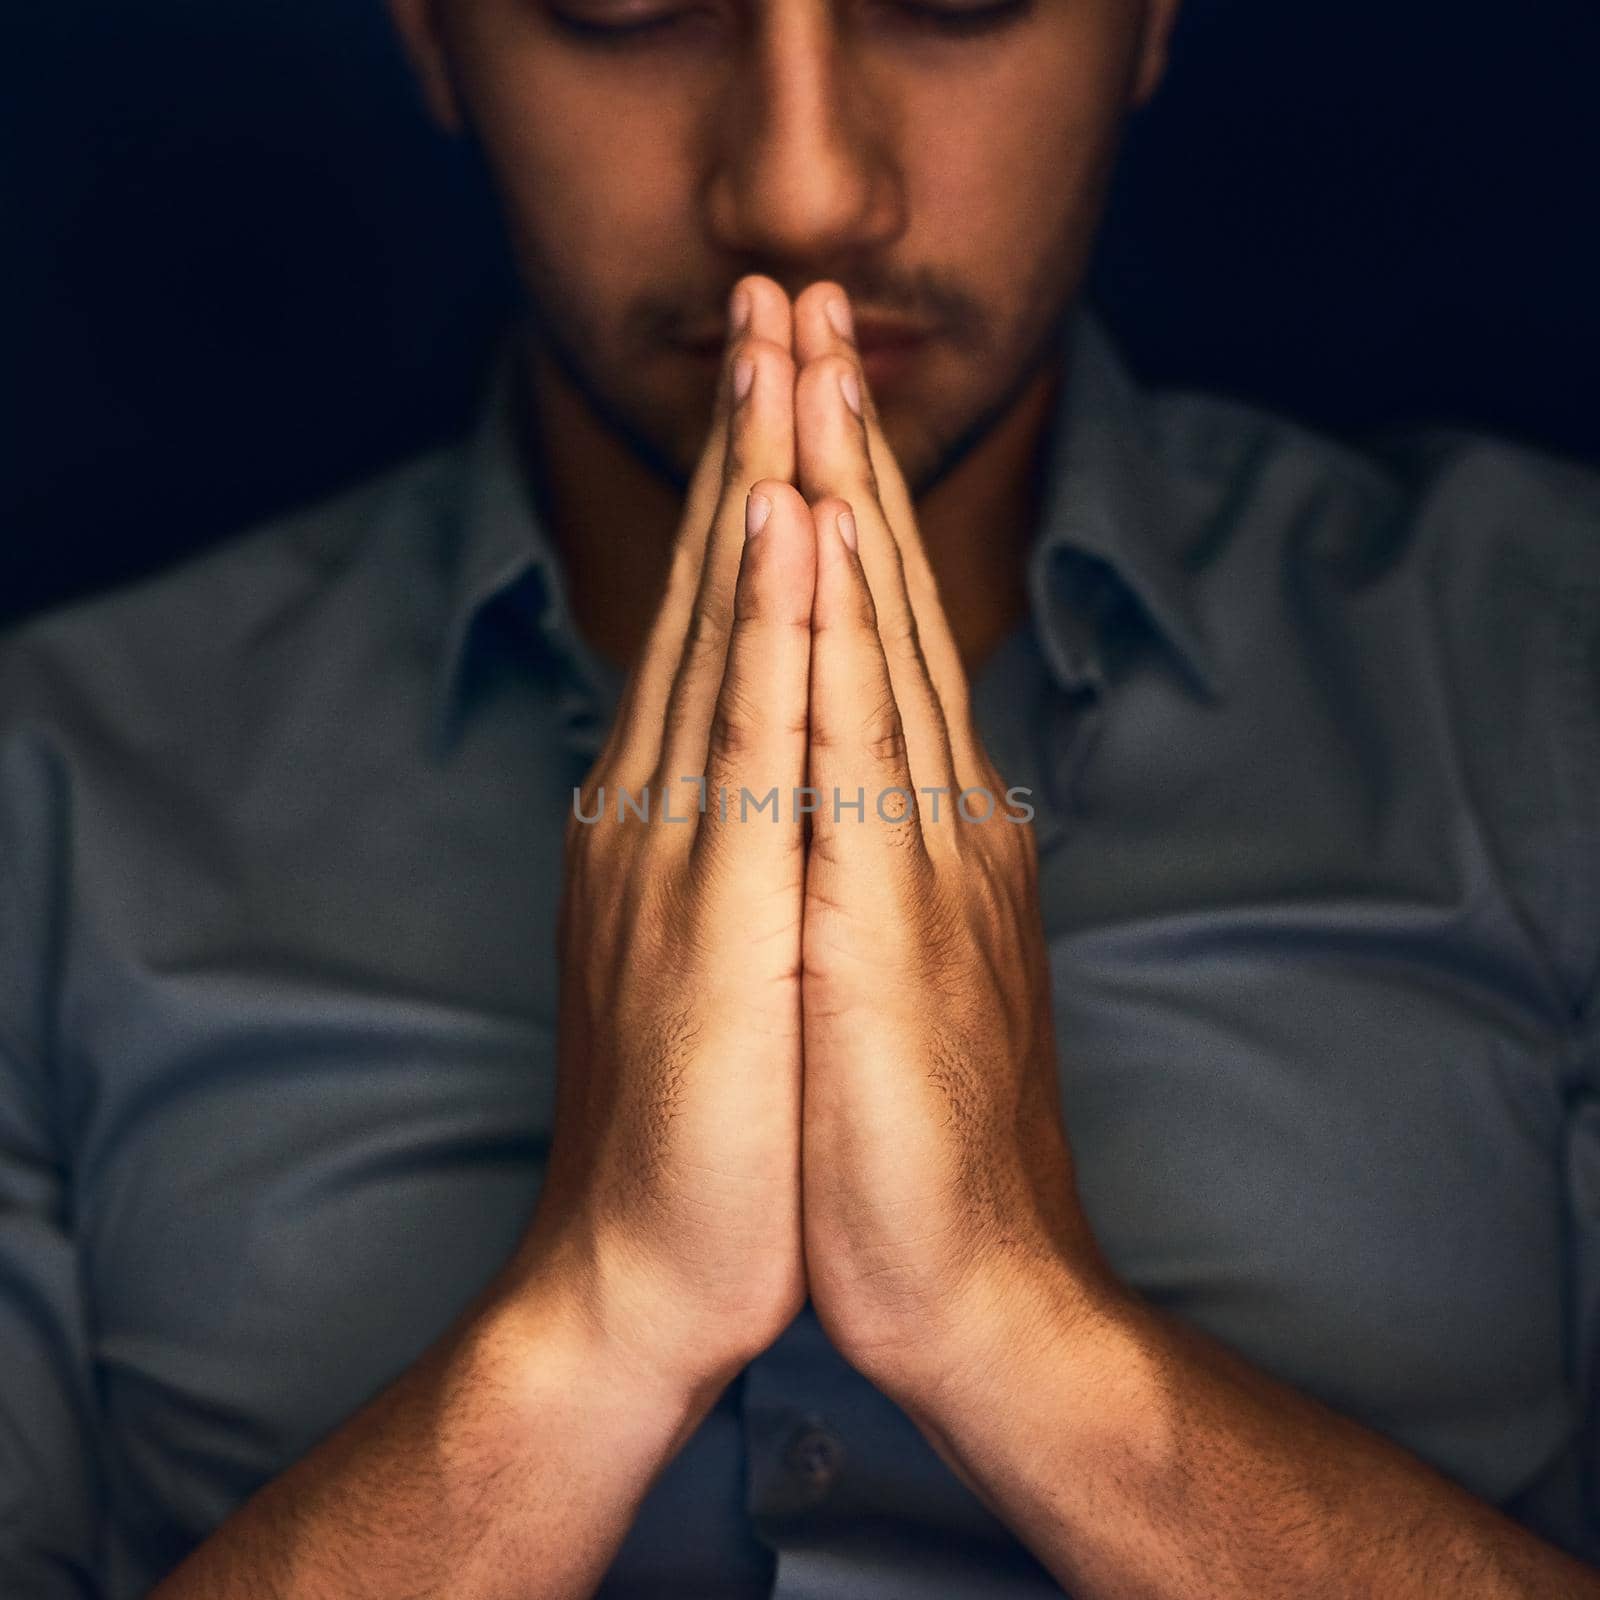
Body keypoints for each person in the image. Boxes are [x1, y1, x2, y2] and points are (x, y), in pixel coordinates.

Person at [1, 0, 1597, 1594]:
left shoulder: (1544, 672)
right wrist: (598, 1332)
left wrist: (1024, 1336)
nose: (800, 192)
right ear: (427, 30)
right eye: (626, 9)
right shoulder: (52, 794)